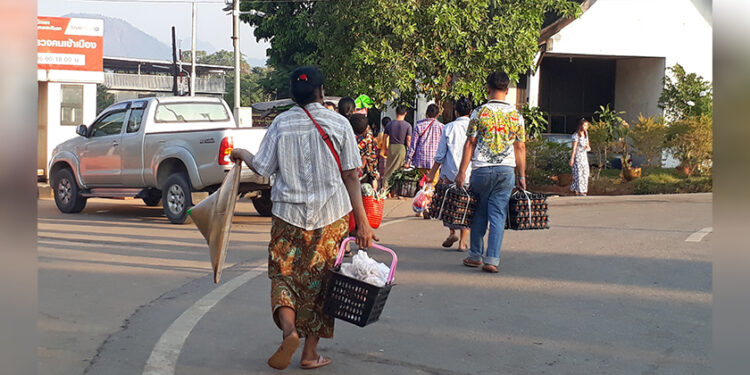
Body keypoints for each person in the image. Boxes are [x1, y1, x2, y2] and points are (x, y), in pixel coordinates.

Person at [230, 66, 377, 370]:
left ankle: (289, 330)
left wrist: (243, 153)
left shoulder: (281, 124)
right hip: (332, 217)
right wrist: (363, 223)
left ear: (293, 95)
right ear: (322, 92)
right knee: (324, 283)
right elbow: (351, 175)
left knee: (283, 275)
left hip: (287, 215)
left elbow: (263, 169)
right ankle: (309, 354)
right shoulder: (339, 123)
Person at [455, 71, 526, 274]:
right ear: (507, 89)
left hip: (481, 170)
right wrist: (522, 175)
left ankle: (475, 255)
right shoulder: (516, 116)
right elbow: (520, 147)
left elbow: (470, 143)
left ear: (488, 88)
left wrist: (461, 172)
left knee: (478, 212)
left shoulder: (479, 113)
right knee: (497, 214)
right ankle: (492, 259)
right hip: (506, 170)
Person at [425, 97, 474, 251]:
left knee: (449, 204)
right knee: (466, 207)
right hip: (470, 173)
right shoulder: (475, 127)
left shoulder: (449, 128)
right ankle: (462, 242)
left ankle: (452, 232)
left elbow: (440, 155)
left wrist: (432, 174)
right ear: (471, 112)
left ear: (455, 110)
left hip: (449, 173)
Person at [405, 103, 444, 185]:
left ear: (426, 114)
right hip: (435, 163)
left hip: (420, 161)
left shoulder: (419, 126)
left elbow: (413, 146)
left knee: (422, 185)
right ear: (437, 115)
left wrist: (408, 161)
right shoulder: (442, 127)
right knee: (432, 187)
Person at [382, 105, 412, 185]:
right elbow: (408, 140)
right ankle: (395, 188)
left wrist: (384, 148)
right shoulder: (408, 125)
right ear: (405, 113)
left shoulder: (389, 124)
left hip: (392, 147)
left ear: (396, 112)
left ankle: (385, 186)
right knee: (399, 169)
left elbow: (384, 137)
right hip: (401, 148)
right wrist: (411, 151)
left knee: (389, 168)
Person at [349, 114, 379, 190]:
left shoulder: (347, 139)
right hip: (363, 176)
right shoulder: (366, 141)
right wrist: (374, 176)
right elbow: (371, 158)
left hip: (347, 175)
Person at [570, 119, 591, 196]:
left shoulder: (586, 133)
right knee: (579, 174)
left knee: (585, 173)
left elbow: (587, 143)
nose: (586, 127)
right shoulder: (576, 135)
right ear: (580, 126)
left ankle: (583, 189)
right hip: (578, 157)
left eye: (587, 125)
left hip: (584, 156)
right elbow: (574, 148)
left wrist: (588, 147)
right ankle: (580, 190)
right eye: (584, 125)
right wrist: (572, 158)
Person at [376, 116, 391, 187]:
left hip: (382, 156)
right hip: (390, 156)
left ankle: (382, 188)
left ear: (382, 125)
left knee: (382, 174)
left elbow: (378, 145)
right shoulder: (392, 135)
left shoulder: (381, 134)